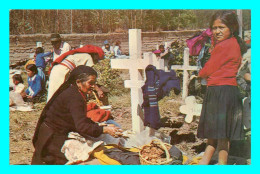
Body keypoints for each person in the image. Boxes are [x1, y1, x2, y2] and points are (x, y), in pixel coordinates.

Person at [31, 65, 122, 165]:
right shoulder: (74, 97)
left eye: (94, 83)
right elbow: (82, 126)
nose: (93, 86)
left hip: (53, 134)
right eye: (90, 83)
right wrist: (104, 130)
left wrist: (101, 126)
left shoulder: (74, 91)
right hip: (52, 140)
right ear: (78, 82)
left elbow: (79, 119)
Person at [197, 10, 247, 165]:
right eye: (214, 28)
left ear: (231, 27)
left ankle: (218, 164)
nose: (217, 31)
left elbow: (209, 68)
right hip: (226, 90)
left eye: (221, 27)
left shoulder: (225, 45)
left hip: (220, 91)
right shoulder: (233, 43)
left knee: (220, 133)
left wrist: (199, 75)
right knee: (220, 133)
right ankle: (209, 162)